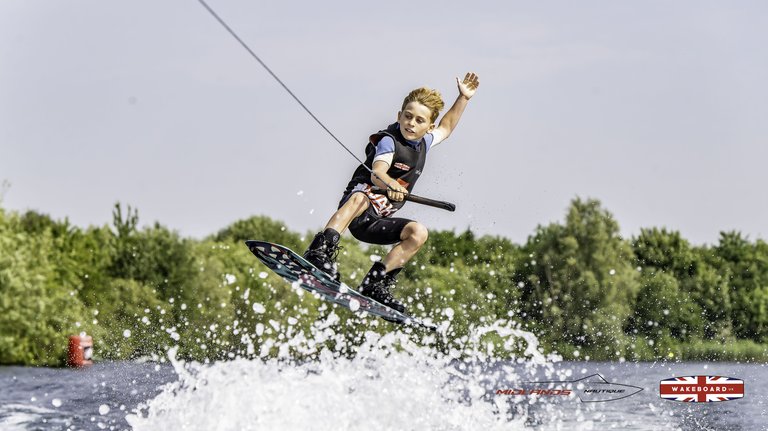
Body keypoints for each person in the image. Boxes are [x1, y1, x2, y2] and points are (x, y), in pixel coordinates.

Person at [303, 72, 480, 313]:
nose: (411, 123)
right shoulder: (389, 141)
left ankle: (376, 283)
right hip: (357, 213)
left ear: (429, 126)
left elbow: (447, 127)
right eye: (407, 117)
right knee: (360, 198)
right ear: (399, 116)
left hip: (377, 223)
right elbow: (378, 172)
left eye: (419, 120)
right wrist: (390, 185)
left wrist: (463, 98)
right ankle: (320, 251)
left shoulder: (425, 143)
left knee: (418, 232)